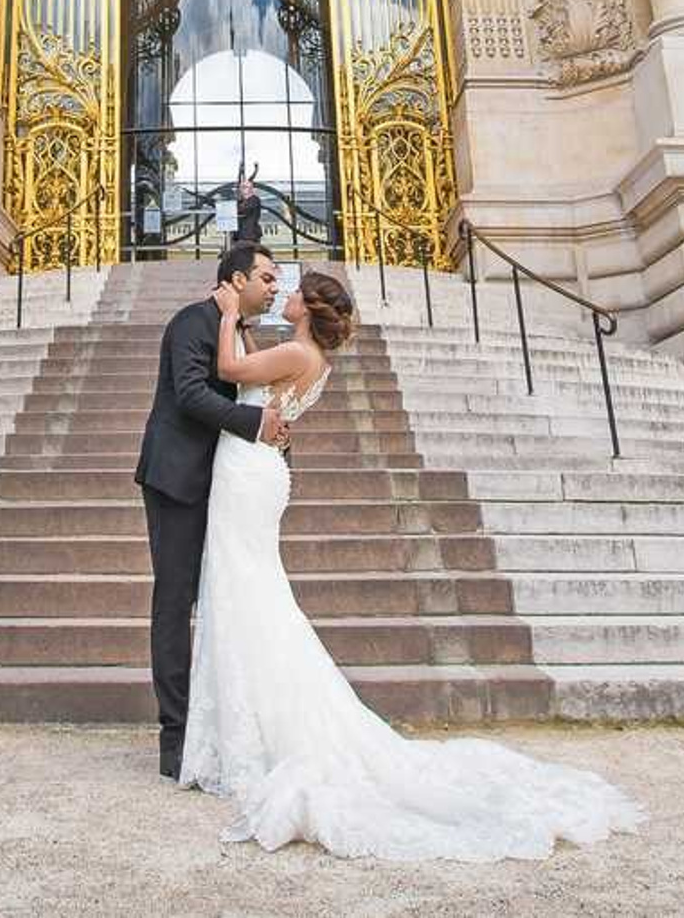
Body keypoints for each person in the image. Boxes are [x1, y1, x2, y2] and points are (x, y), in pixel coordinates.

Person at [180, 268, 644, 859]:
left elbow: (228, 372)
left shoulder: (291, 351)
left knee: (247, 592)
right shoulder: (308, 357)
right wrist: (242, 330)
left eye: (295, 291)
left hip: (248, 472)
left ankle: (252, 733)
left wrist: (224, 313)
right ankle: (252, 726)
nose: (286, 293)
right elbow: (254, 380)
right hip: (262, 471)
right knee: (254, 593)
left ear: (308, 308)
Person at [133, 242, 289, 783]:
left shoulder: (239, 331)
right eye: (267, 278)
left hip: (223, 486)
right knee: (175, 603)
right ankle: (174, 736)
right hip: (177, 481)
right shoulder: (191, 323)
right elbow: (191, 394)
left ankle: (220, 724)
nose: (275, 287)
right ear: (237, 278)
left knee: (227, 600)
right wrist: (255, 427)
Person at [233, 164, 262, 244]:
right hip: (240, 235)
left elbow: (241, 210)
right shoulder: (241, 201)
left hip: (250, 236)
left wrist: (255, 170)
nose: (242, 189)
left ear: (251, 189)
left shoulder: (254, 200)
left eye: (245, 187)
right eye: (242, 187)